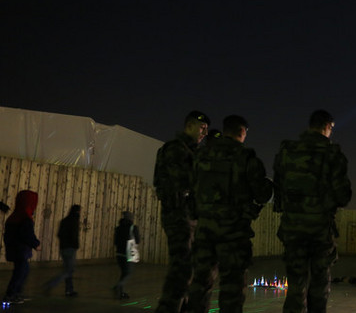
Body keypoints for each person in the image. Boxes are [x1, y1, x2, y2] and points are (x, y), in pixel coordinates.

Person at [186, 115, 273, 313]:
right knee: (232, 292)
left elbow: (189, 188)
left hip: (204, 231)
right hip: (233, 235)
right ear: (242, 132)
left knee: (199, 286)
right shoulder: (246, 158)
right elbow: (262, 193)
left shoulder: (201, 156)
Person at [273, 109, 352, 313]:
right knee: (318, 287)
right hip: (319, 231)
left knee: (296, 287)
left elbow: (278, 187)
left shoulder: (287, 150)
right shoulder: (332, 154)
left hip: (293, 228)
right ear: (327, 127)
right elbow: (343, 196)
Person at [153, 110, 210, 313]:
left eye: (206, 129)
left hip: (190, 216)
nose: (204, 132)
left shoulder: (193, 151)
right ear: (189, 126)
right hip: (178, 215)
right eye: (201, 128)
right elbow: (184, 181)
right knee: (182, 269)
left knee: (192, 269)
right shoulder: (175, 149)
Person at [3, 190, 41, 304]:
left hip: (14, 250)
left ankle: (16, 293)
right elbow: (27, 234)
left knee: (22, 271)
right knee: (21, 272)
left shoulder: (14, 216)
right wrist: (36, 244)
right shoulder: (24, 217)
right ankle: (11, 295)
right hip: (20, 250)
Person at [43, 204, 82, 296]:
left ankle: (69, 290)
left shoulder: (64, 221)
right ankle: (51, 284)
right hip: (70, 249)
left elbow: (59, 234)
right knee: (69, 271)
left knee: (68, 270)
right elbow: (74, 235)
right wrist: (76, 245)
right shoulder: (74, 221)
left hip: (63, 248)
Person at [114, 211, 140, 299]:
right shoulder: (133, 228)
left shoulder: (118, 228)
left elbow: (115, 241)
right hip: (129, 253)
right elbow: (137, 240)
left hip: (119, 253)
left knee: (123, 273)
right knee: (128, 272)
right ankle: (118, 286)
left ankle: (121, 292)